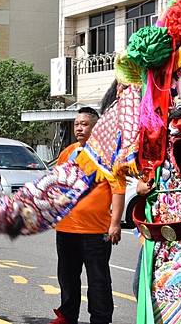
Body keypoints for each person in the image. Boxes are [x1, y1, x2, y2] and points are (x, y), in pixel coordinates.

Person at [50, 106, 125, 324]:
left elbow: (118, 189)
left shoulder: (108, 155)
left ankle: (100, 319)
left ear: (96, 127)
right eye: (76, 124)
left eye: (84, 124)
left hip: (96, 231)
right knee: (67, 278)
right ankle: (66, 316)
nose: (79, 128)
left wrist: (115, 223)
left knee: (98, 280)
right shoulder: (68, 152)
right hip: (66, 229)